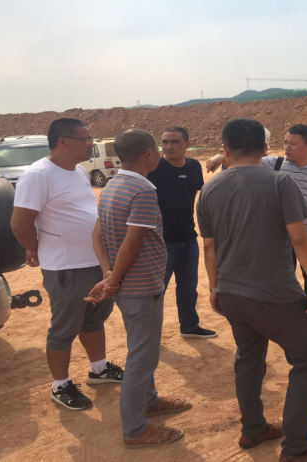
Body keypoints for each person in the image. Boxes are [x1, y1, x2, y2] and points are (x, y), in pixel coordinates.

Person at [197, 118, 307, 462]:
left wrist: (215, 287)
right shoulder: (279, 181)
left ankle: (253, 428)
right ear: (265, 148)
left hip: (232, 293)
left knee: (248, 359)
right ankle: (296, 450)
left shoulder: (209, 190)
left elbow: (209, 246)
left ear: (225, 149)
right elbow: (299, 237)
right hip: (274, 294)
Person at [10, 118, 124, 412]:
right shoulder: (38, 175)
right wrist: (35, 249)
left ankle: (99, 368)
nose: (91, 144)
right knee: (64, 328)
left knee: (93, 319)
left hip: (94, 261)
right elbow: (20, 223)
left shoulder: (78, 171)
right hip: (65, 267)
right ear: (63, 141)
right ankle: (60, 385)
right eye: (85, 138)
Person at [88, 128, 191, 448]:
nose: (161, 152)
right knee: (142, 358)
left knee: (140, 349)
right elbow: (131, 243)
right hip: (140, 287)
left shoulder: (112, 185)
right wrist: (112, 279)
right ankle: (134, 429)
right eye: (158, 148)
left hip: (128, 286)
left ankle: (150, 400)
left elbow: (97, 235)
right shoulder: (143, 190)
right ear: (148, 154)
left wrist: (108, 273)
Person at [205, 124, 307, 328]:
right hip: (279, 238)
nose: (287, 147)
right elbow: (239, 160)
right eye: (285, 142)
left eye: (292, 144)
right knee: (282, 278)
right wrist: (218, 157)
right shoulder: (273, 163)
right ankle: (286, 316)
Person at [146, 126, 217, 339]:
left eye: (174, 142)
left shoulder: (194, 166)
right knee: (156, 291)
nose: (168, 146)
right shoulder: (154, 169)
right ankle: (148, 335)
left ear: (187, 144)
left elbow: (193, 197)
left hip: (188, 237)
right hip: (161, 241)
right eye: (164, 142)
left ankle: (189, 326)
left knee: (188, 288)